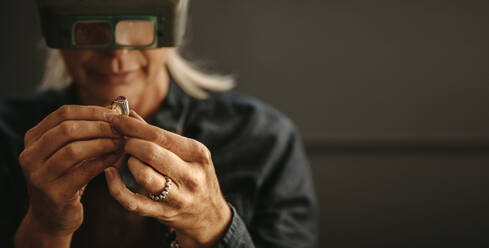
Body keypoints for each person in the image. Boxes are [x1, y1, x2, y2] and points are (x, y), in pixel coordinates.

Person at [1, 0, 318, 247]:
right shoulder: (7, 138)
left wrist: (212, 223)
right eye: (89, 24)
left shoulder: (264, 140)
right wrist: (44, 227)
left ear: (172, 27)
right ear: (58, 31)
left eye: (140, 22)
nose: (117, 53)